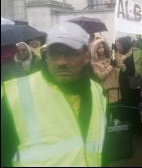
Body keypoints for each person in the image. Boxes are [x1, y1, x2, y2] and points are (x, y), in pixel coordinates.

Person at [1, 22, 106, 167]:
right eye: (53, 54)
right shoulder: (15, 95)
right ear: (46, 56)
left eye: (70, 54)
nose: (61, 62)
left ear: (86, 57)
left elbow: (100, 147)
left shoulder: (97, 92)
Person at [114, 36, 142, 134]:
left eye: (119, 45)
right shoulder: (115, 54)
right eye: (117, 45)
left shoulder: (137, 51)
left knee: (135, 104)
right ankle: (125, 125)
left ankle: (137, 127)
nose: (118, 47)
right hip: (121, 84)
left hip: (135, 83)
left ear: (125, 45)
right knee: (124, 104)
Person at [90, 38, 119, 104]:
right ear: (95, 50)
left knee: (116, 111)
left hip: (114, 89)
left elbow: (120, 64)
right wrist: (111, 66)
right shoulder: (93, 63)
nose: (102, 49)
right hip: (105, 90)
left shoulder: (109, 58)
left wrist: (116, 52)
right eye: (99, 47)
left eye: (103, 47)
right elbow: (100, 76)